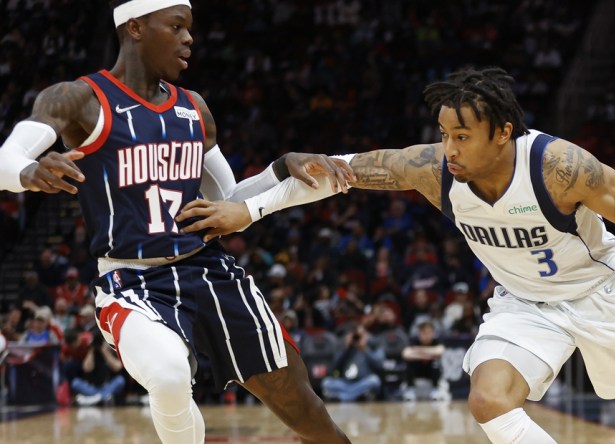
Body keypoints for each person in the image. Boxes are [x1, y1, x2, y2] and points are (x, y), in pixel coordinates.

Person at [180, 66, 615, 444]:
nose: (449, 149)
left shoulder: (561, 167)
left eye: (462, 136)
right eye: (444, 134)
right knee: (489, 399)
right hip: (525, 304)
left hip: (601, 295)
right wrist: (250, 210)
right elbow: (340, 172)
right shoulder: (432, 169)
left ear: (502, 132)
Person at [0, 1, 352, 443]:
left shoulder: (195, 110)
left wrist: (281, 167)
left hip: (208, 269)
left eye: (190, 29)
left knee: (304, 408)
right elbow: (5, 160)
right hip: (132, 280)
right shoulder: (79, 99)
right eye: (177, 26)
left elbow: (226, 205)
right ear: (135, 27)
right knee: (168, 376)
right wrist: (28, 172)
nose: (189, 39)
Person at [321, 323, 384, 402]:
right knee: (326, 382)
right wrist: (345, 349)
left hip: (363, 382)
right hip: (345, 383)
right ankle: (357, 396)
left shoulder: (373, 345)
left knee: (375, 380)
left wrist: (365, 349)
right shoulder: (344, 346)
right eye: (355, 336)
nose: (357, 338)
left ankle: (343, 397)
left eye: (360, 335)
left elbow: (379, 365)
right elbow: (333, 368)